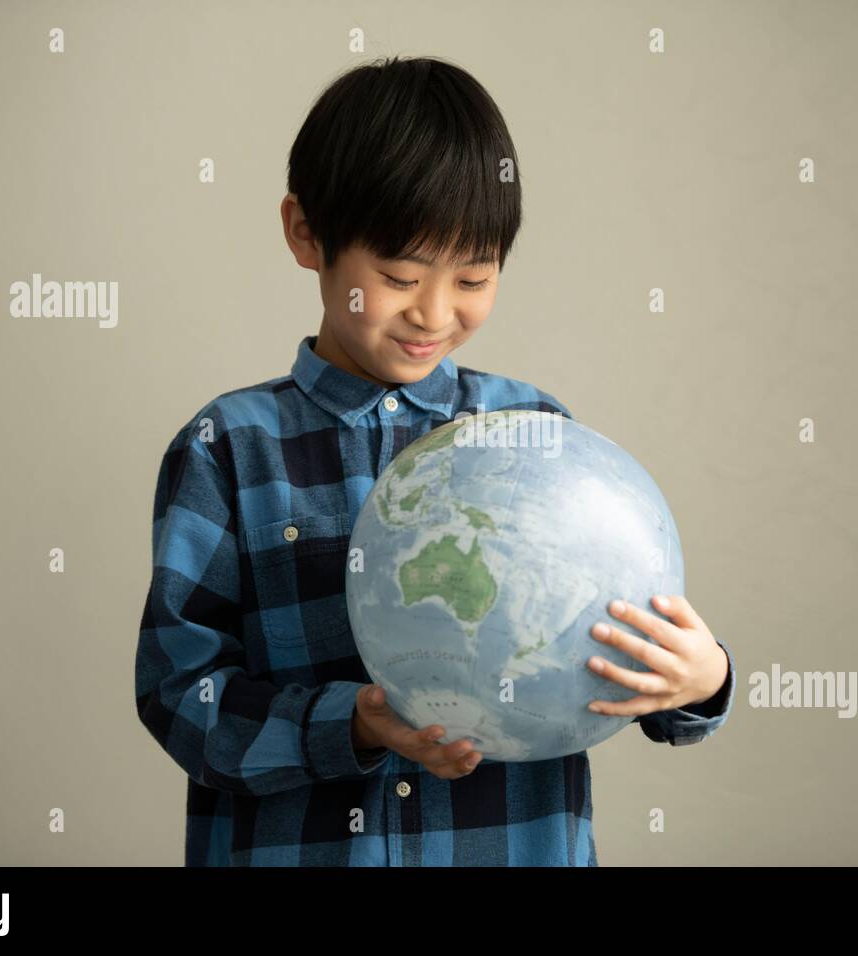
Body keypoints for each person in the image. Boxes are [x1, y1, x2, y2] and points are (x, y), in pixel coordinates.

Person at [135, 55, 735, 866]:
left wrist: (701, 681)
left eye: (474, 279)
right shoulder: (230, 449)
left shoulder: (537, 435)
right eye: (399, 276)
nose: (435, 312)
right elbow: (179, 695)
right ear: (306, 233)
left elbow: (613, 653)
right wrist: (344, 726)